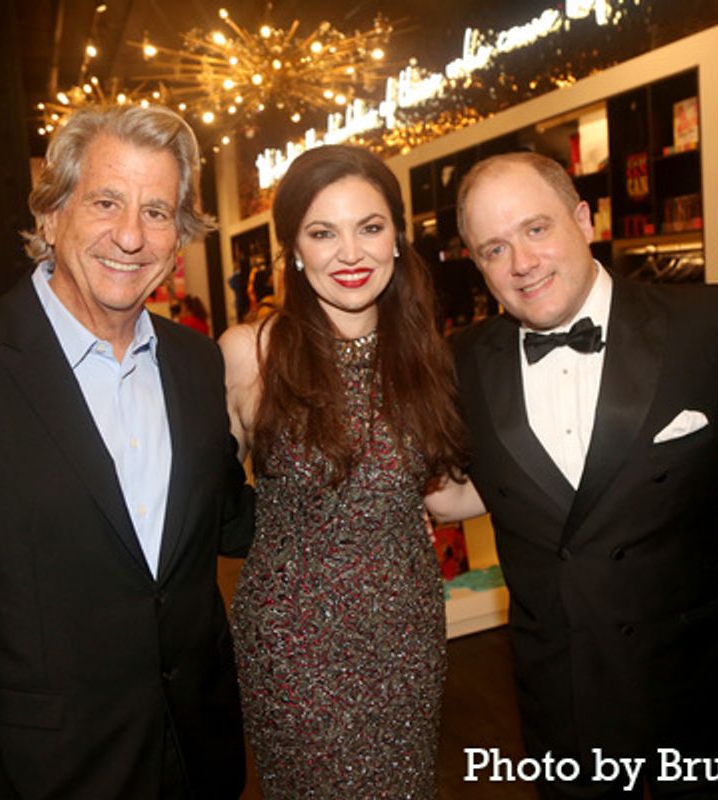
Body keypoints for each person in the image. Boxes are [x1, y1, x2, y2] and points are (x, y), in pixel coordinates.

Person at [0, 104, 253, 800]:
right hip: (38, 775)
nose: (130, 235)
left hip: (199, 758)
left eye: (157, 211)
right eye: (106, 201)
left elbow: (226, 519)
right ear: (51, 214)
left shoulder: (196, 363)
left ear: (179, 235)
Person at [436, 150, 718, 798]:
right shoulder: (461, 361)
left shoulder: (709, 325)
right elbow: (465, 484)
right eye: (494, 248)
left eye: (536, 229)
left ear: (583, 219)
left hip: (699, 712)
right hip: (561, 715)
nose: (522, 263)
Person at [218, 144, 467, 799]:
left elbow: (442, 493)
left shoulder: (424, 354)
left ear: (397, 237)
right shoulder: (252, 353)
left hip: (408, 626)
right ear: (295, 249)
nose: (350, 253)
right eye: (323, 233)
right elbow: (200, 503)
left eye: (370, 227)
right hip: (296, 640)